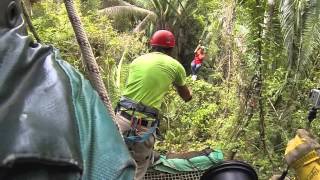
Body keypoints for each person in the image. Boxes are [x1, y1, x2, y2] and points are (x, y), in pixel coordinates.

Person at [0, 0, 135, 179]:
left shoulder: (139, 64)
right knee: (137, 164)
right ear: (13, 13)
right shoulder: (72, 85)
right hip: (138, 124)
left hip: (124, 113)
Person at [115, 30, 192, 180]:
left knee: (114, 160)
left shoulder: (137, 60)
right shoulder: (176, 67)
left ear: (152, 45)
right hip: (143, 125)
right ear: (171, 49)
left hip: (121, 117)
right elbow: (186, 96)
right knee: (138, 166)